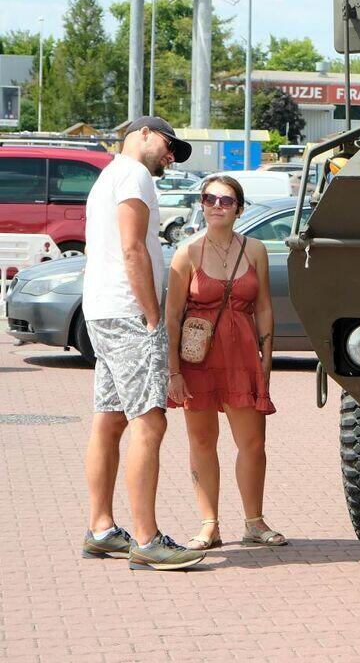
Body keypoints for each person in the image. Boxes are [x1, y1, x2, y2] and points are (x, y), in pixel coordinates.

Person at [81, 116, 206, 570]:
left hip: (102, 309)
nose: (170, 157)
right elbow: (133, 248)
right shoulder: (134, 175)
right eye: (169, 146)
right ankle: (147, 539)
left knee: (110, 419)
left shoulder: (108, 176)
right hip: (129, 313)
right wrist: (153, 316)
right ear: (145, 134)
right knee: (150, 422)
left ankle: (101, 529)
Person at [165, 174, 285, 550]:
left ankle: (254, 522)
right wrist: (173, 371)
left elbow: (263, 307)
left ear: (239, 209)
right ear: (201, 205)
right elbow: (172, 317)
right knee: (202, 441)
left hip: (243, 356)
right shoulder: (187, 253)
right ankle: (209, 525)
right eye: (210, 199)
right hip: (198, 359)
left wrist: (266, 359)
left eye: (226, 200)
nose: (217, 206)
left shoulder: (255, 250)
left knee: (252, 442)